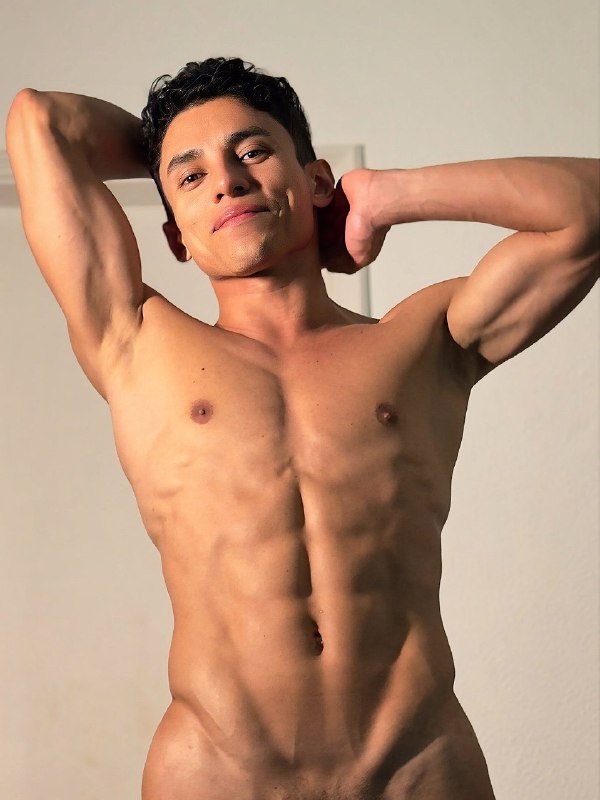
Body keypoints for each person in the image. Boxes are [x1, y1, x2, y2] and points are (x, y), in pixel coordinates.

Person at [5, 56, 598, 800]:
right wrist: (163, 149)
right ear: (175, 236)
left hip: (416, 764)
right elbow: (39, 122)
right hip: (217, 769)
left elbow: (588, 212)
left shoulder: (424, 340)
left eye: (252, 151)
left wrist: (387, 195)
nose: (227, 181)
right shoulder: (133, 340)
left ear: (316, 180)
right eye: (192, 177)